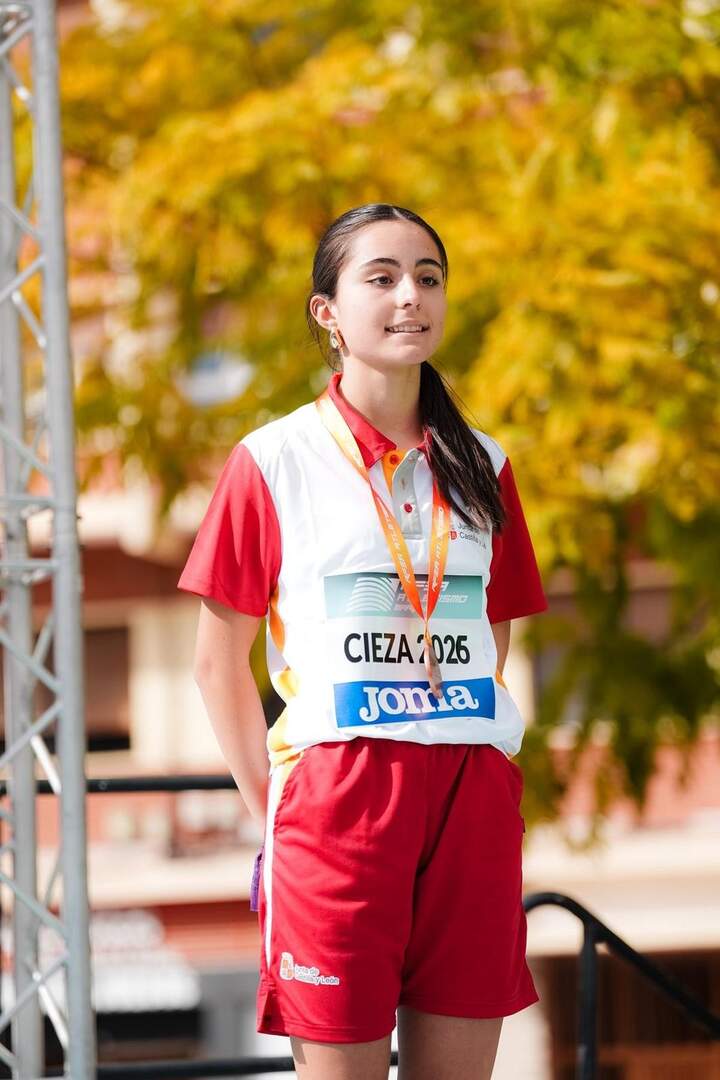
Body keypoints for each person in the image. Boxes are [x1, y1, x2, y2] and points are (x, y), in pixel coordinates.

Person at [177, 203, 548, 1080]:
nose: (410, 296)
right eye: (380, 278)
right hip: (337, 801)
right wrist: (273, 803)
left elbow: (492, 629)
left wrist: (442, 721)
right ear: (328, 313)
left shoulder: (485, 464)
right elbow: (215, 660)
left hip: (470, 791)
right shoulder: (273, 459)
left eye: (427, 277)